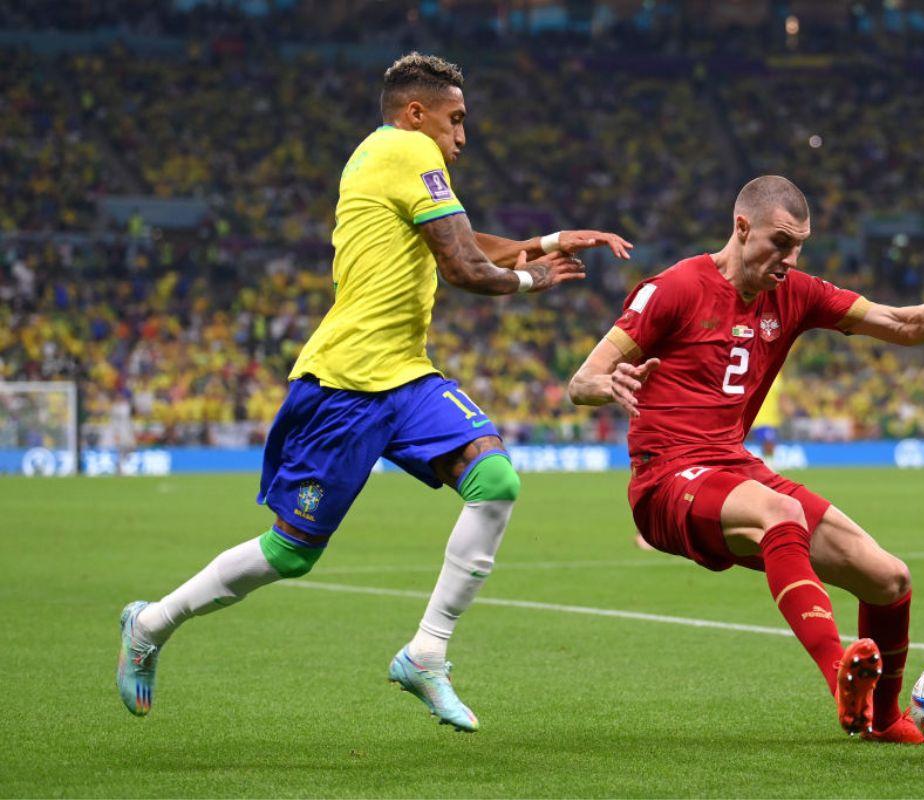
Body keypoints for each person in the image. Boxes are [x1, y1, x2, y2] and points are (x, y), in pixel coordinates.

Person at [116, 53, 632, 732]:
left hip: (406, 377)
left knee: (496, 479)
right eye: (456, 119)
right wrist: (536, 279)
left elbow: (457, 240)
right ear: (416, 113)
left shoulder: (391, 161)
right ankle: (150, 625)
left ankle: (426, 653)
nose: (462, 136)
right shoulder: (405, 149)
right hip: (345, 382)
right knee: (291, 552)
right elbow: (462, 266)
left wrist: (549, 239)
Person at [567, 176, 924, 743]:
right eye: (781, 241)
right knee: (779, 513)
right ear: (742, 228)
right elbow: (582, 380)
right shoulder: (676, 287)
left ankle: (883, 718)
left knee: (888, 578)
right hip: (665, 479)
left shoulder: (795, 293)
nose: (791, 257)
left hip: (733, 467)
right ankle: (839, 677)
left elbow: (902, 324)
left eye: (799, 244)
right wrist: (613, 383)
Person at [751, 376, 783, 468]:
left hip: (773, 419)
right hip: (761, 418)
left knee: (770, 444)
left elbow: (780, 397)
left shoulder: (779, 377)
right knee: (769, 443)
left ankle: (767, 466)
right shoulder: (761, 372)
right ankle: (769, 467)